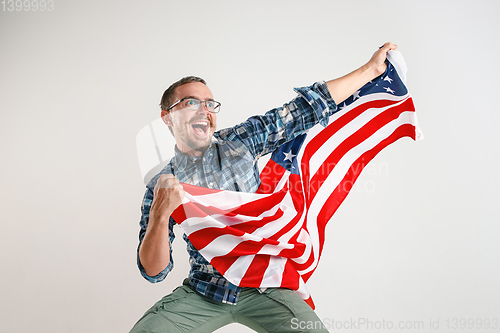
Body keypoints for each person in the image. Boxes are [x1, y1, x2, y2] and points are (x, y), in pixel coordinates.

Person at [130, 42, 398, 333]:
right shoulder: (162, 185)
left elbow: (301, 110)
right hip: (205, 291)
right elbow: (154, 272)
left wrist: (370, 69)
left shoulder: (240, 142)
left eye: (210, 103)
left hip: (265, 285)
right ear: (167, 116)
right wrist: (159, 215)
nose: (204, 110)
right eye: (191, 102)